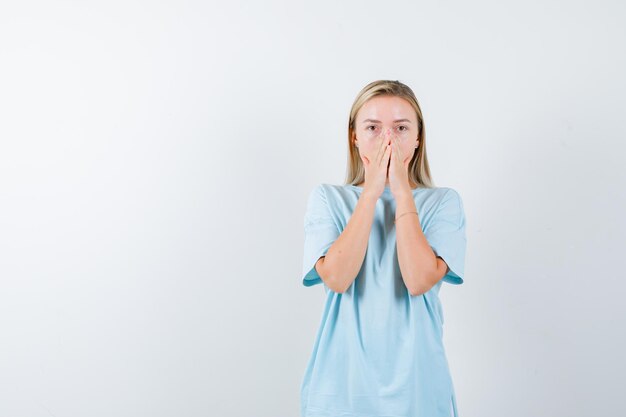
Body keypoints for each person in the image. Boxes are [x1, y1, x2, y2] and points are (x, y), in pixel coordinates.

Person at [300, 80, 467, 417]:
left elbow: (419, 280)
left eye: (401, 128)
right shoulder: (327, 199)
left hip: (418, 393)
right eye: (373, 127)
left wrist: (402, 192)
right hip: (339, 392)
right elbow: (336, 277)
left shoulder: (443, 203)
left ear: (418, 138)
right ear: (355, 136)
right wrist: (371, 192)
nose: (387, 139)